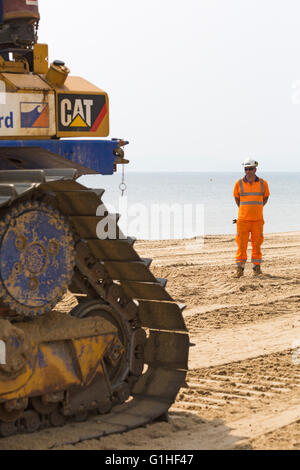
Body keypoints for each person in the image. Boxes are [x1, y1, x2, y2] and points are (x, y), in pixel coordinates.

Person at [233, 158, 270, 278]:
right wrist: (244, 209)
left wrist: (258, 208)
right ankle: (240, 270)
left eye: (250, 169)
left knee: (257, 245)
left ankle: (257, 269)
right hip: (243, 220)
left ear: (255, 169)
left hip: (257, 220)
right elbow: (237, 198)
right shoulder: (238, 183)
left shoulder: (263, 183)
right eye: (246, 169)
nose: (248, 171)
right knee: (241, 245)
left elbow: (265, 197)